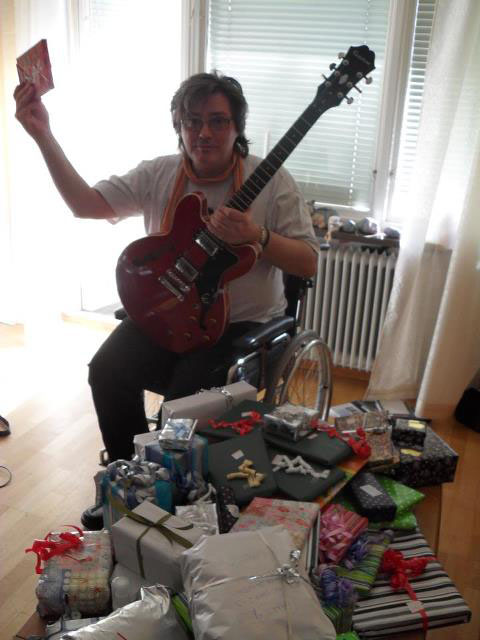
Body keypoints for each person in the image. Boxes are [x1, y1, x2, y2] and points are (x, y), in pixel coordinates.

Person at [14, 71, 319, 527]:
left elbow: (309, 262)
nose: (204, 132)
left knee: (181, 404)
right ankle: (127, 482)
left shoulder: (273, 181)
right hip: (170, 315)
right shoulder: (160, 173)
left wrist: (257, 235)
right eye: (192, 121)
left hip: (240, 329)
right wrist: (43, 135)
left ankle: (175, 498)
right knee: (106, 370)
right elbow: (86, 204)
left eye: (217, 121)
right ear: (178, 125)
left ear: (237, 127)